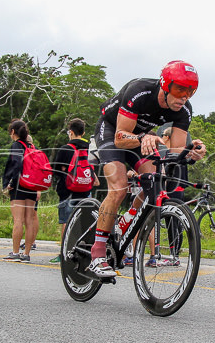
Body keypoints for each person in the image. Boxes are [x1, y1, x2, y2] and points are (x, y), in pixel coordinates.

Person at [87, 60, 207, 277]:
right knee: (119, 188)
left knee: (156, 180)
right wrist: (143, 137)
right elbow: (120, 138)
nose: (184, 97)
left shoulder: (183, 110)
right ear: (165, 84)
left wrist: (190, 153)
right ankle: (97, 255)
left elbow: (175, 151)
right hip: (113, 132)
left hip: (141, 140)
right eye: (179, 89)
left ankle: (127, 218)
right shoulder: (139, 91)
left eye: (190, 92)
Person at [50, 118, 99, 264]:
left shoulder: (66, 148)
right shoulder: (89, 147)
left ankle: (64, 253)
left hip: (68, 191)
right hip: (85, 190)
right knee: (84, 222)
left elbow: (56, 170)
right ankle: (82, 252)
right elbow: (92, 166)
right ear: (83, 132)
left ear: (71, 132)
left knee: (67, 221)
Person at [1, 119, 40, 263]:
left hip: (19, 185)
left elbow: (16, 164)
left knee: (18, 220)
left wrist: (10, 182)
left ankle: (15, 252)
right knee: (29, 220)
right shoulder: (31, 146)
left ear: (13, 132)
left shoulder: (16, 146)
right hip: (32, 185)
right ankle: (26, 254)